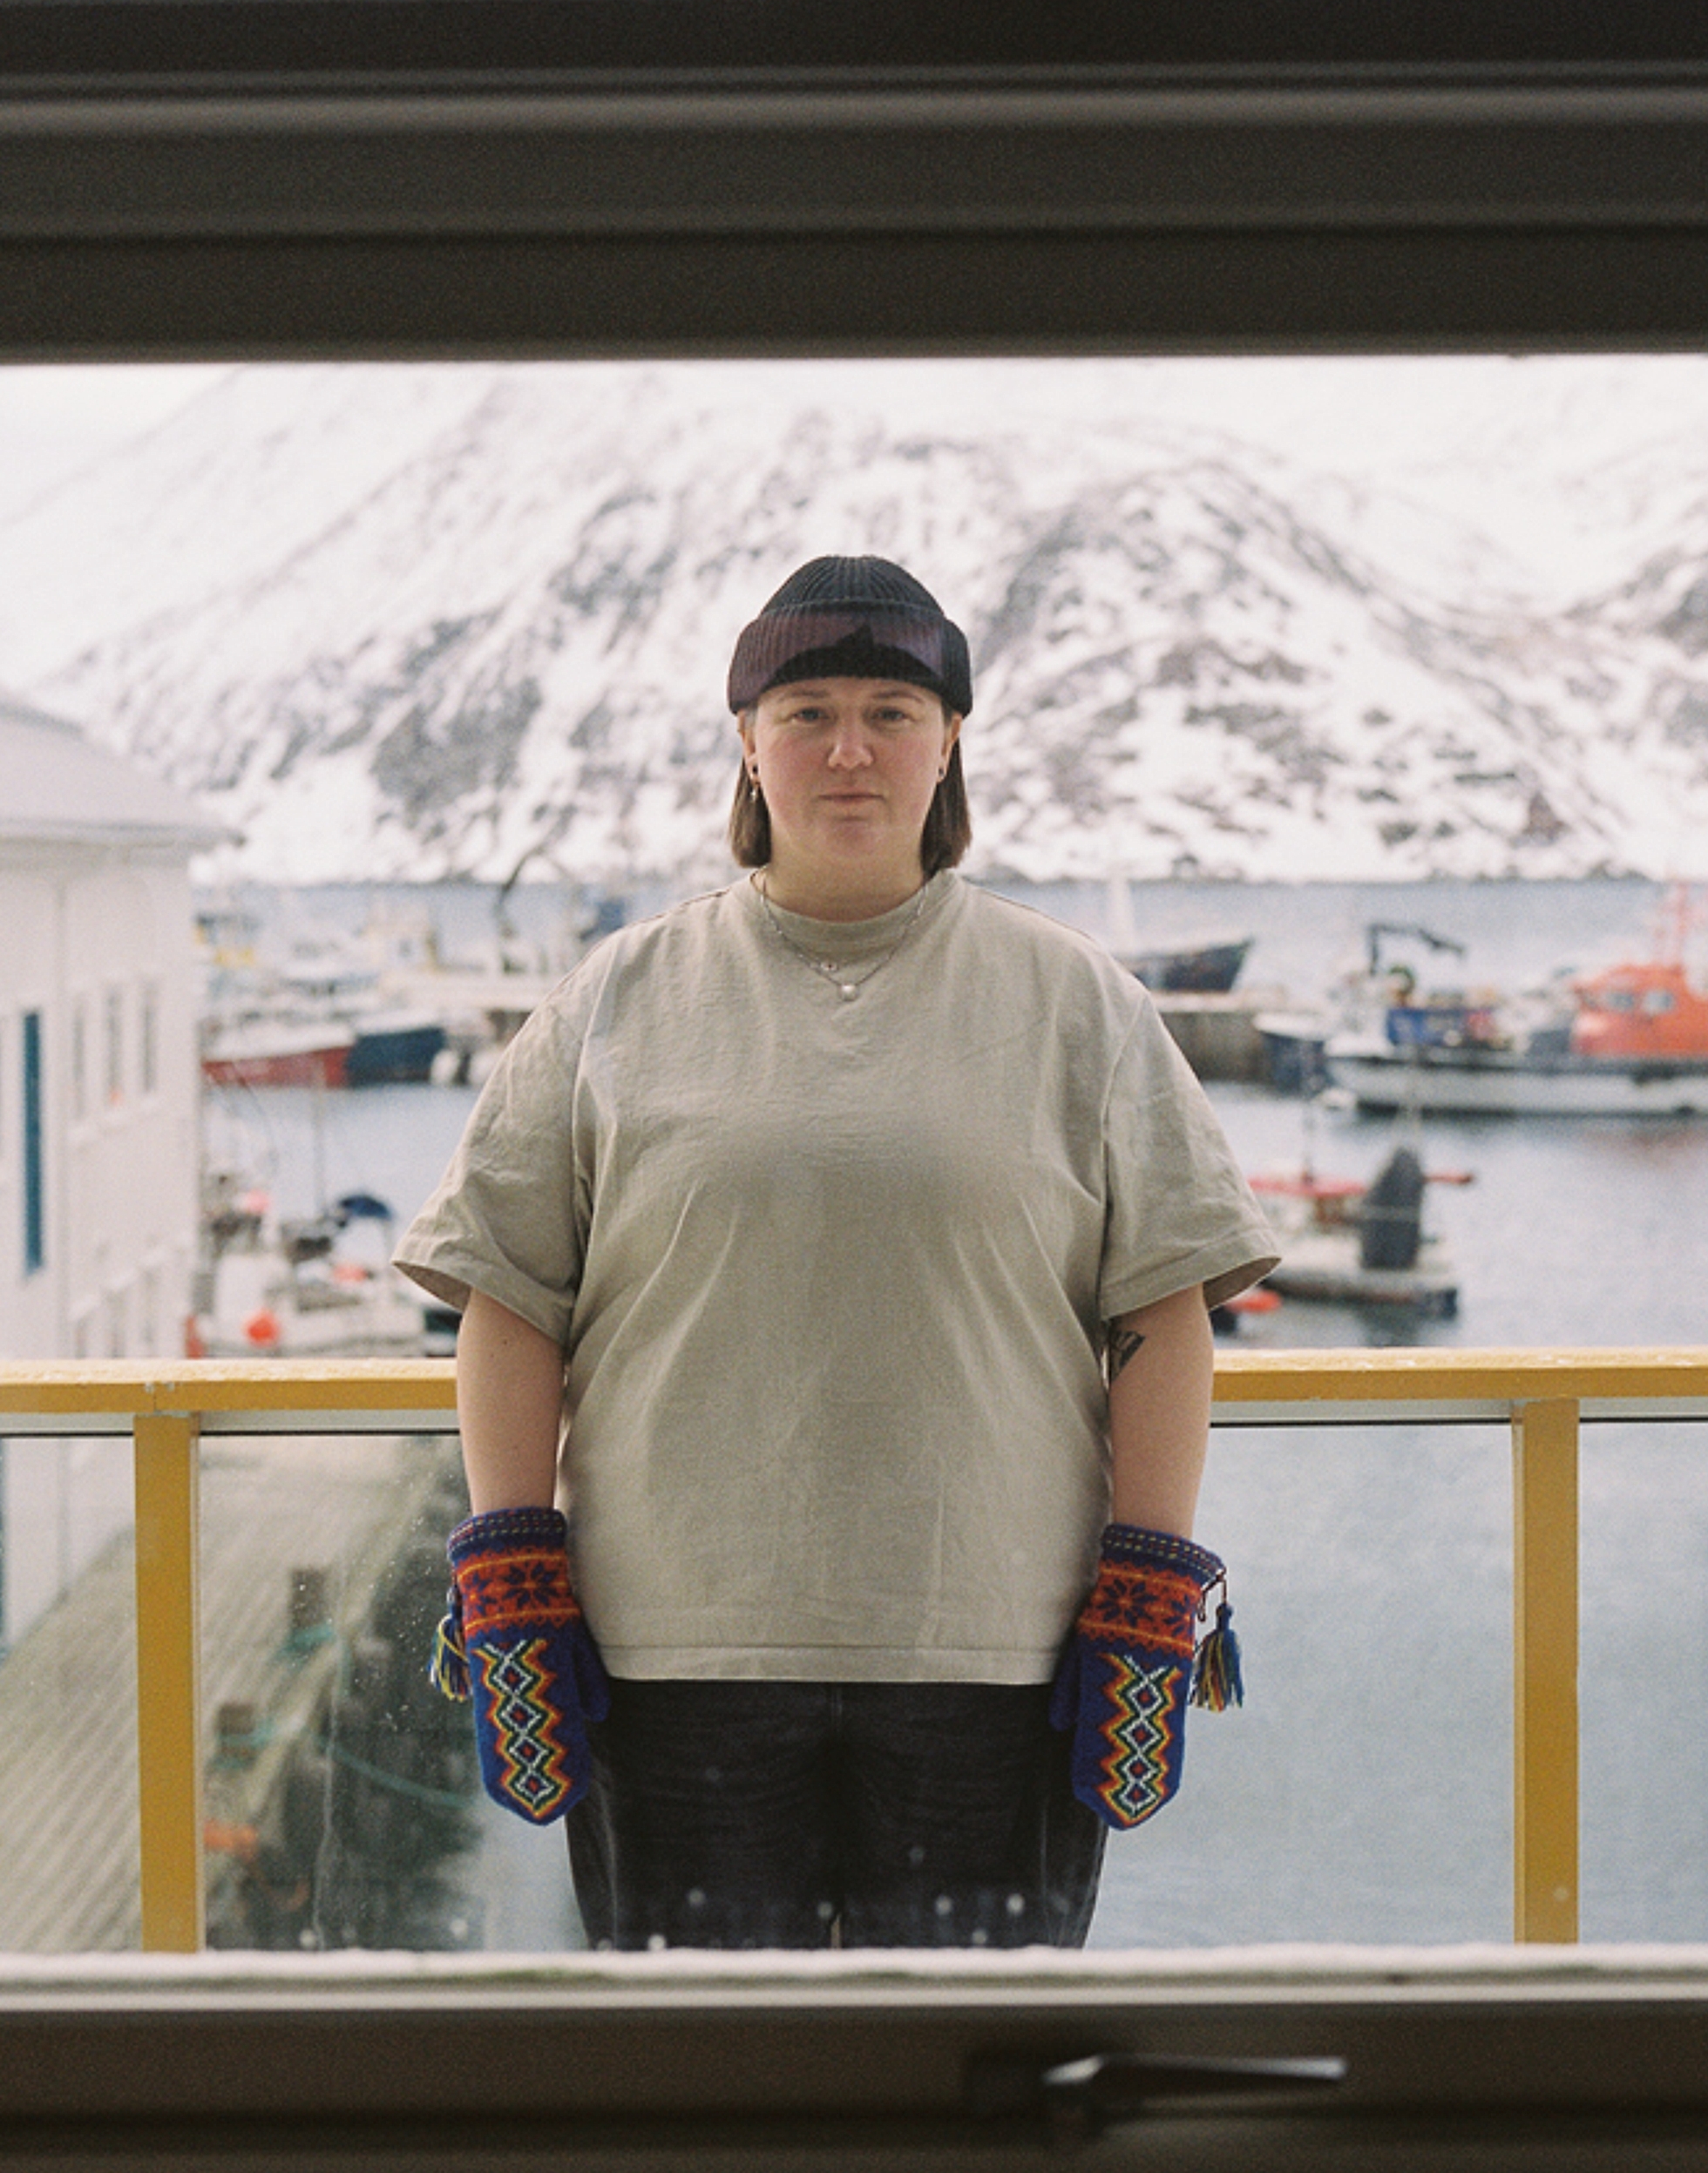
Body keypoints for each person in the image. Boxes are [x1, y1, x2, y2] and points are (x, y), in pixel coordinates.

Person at [396, 554, 1277, 1950]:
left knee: (963, 2102)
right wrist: (513, 1568)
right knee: (711, 2107)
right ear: (748, 745)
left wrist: (1151, 1584)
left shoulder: (1077, 1004)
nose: (849, 748)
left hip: (1000, 1659)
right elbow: (509, 1309)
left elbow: (1164, 1321)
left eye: (892, 710)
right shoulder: (612, 1000)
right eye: (806, 711)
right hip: (669, 1660)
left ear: (951, 745)